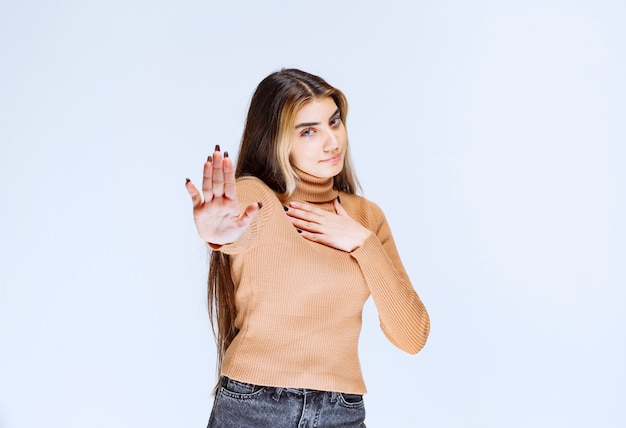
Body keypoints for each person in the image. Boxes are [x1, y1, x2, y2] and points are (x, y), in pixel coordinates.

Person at [185, 68, 429, 428]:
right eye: (309, 132)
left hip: (341, 412)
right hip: (255, 407)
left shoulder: (365, 216)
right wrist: (220, 233)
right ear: (276, 141)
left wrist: (362, 243)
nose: (332, 142)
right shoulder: (257, 197)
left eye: (335, 122)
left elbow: (411, 336)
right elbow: (240, 229)